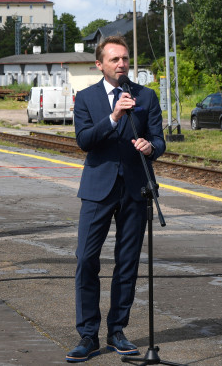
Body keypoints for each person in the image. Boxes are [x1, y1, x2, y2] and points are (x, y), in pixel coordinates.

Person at [66, 35, 165, 362]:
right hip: (97, 189)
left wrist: (151, 148)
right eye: (114, 60)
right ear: (100, 64)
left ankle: (117, 330)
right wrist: (114, 118)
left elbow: (159, 142)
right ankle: (87, 334)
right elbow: (84, 141)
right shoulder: (86, 98)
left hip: (136, 188)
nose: (122, 64)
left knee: (127, 263)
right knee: (86, 259)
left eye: (125, 59)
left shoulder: (146, 96)